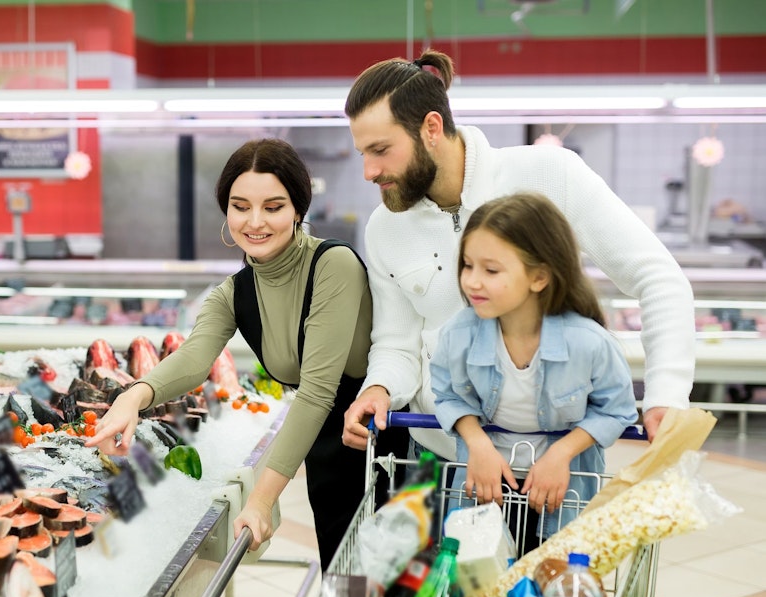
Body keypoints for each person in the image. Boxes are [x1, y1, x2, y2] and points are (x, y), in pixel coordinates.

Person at [341, 48, 694, 460]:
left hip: (557, 463)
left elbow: (659, 279)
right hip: (440, 456)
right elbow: (396, 343)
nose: (369, 171)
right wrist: (379, 388)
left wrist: (666, 394)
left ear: (431, 128)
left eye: (381, 150)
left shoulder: (549, 174)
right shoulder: (386, 227)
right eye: (363, 153)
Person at [85, 138, 408, 568]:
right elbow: (193, 360)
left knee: (401, 586)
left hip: (387, 441)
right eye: (240, 207)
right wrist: (133, 397)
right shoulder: (233, 294)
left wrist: (260, 500)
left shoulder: (333, 265)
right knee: (347, 583)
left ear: (298, 209)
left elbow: (316, 390)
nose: (255, 222)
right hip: (325, 450)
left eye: (273, 207)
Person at [430, 192, 638, 550]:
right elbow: (448, 395)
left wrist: (561, 453)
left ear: (539, 277)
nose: (472, 281)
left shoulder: (588, 343)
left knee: (552, 574)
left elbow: (617, 409)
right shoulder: (459, 334)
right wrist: (477, 444)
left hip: (562, 488)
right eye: (467, 265)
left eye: (491, 270)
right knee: (480, 574)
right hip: (483, 481)